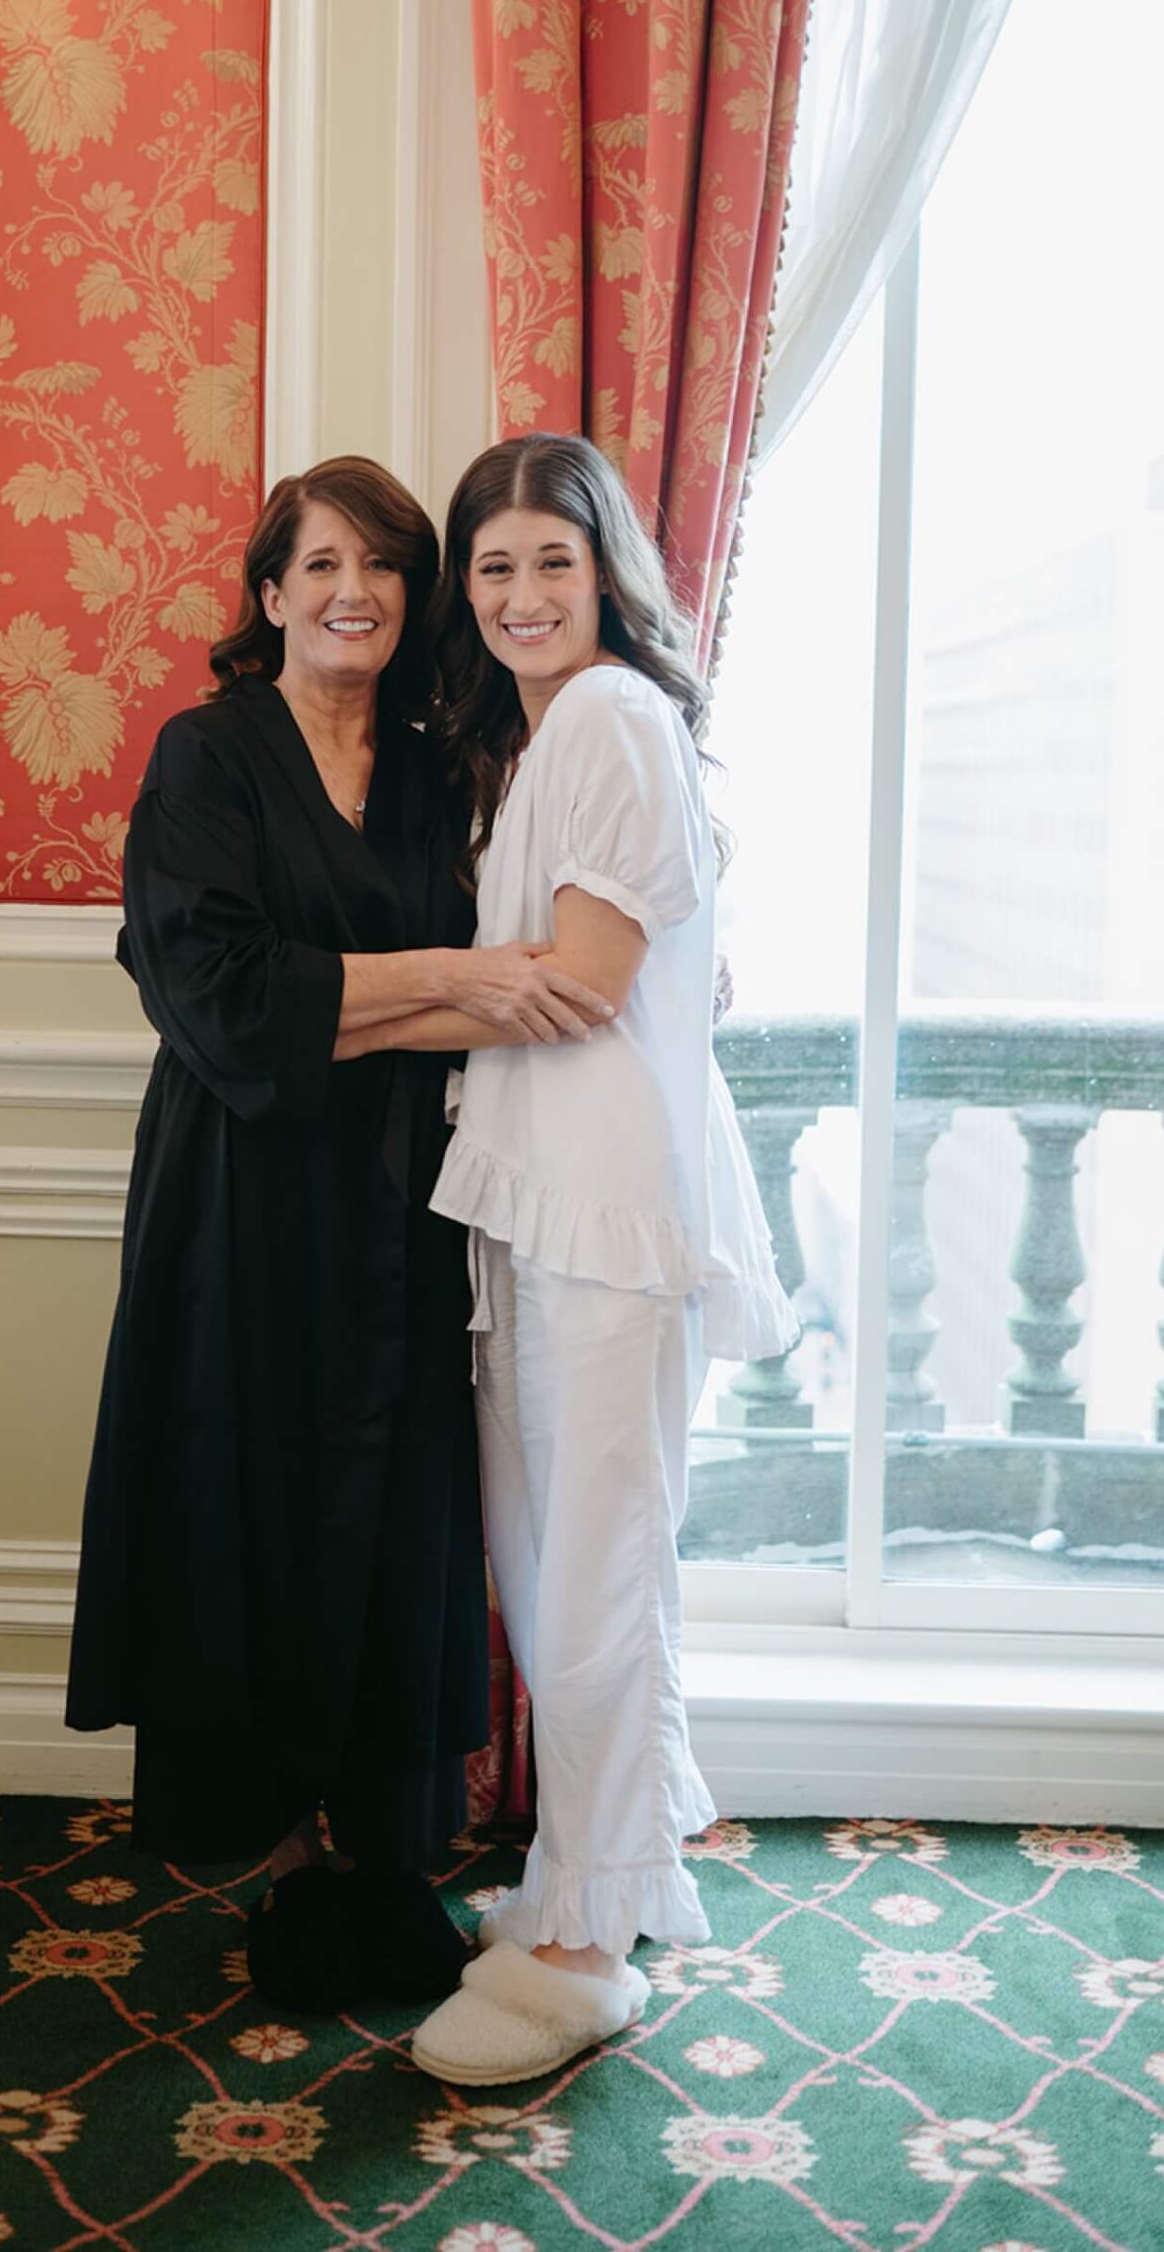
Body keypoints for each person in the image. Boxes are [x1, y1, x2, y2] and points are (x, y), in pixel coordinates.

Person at [65, 456, 613, 2015]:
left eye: (380, 567)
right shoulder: (206, 758)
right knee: (242, 1490)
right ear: (269, 594)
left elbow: (532, 971)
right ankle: (274, 1864)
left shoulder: (453, 764)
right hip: (236, 1196)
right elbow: (219, 1000)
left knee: (393, 1509)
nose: (350, 593)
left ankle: (380, 1862)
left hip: (408, 1195)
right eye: (318, 567)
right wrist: (448, 980)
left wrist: (422, 999)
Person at [335, 433, 799, 2082]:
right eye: (492, 567)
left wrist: (355, 1004)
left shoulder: (608, 715)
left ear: (605, 572)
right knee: (552, 1568)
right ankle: (574, 1883)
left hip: (598, 1197)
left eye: (552, 561)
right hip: (539, 1188)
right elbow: (543, 978)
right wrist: (467, 978)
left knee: (591, 1574)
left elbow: (584, 981)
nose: (522, 595)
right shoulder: (534, 741)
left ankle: (590, 1941)